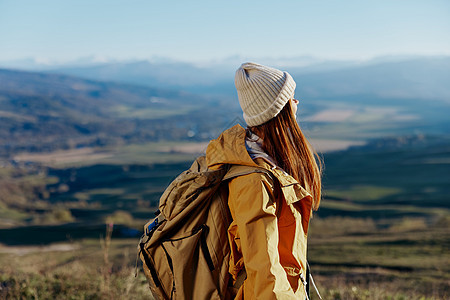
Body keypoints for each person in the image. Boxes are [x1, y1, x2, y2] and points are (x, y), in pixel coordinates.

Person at [205, 62, 322, 299]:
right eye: (291, 97)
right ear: (277, 111)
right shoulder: (253, 180)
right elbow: (264, 270)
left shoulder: (262, 163)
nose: (296, 102)